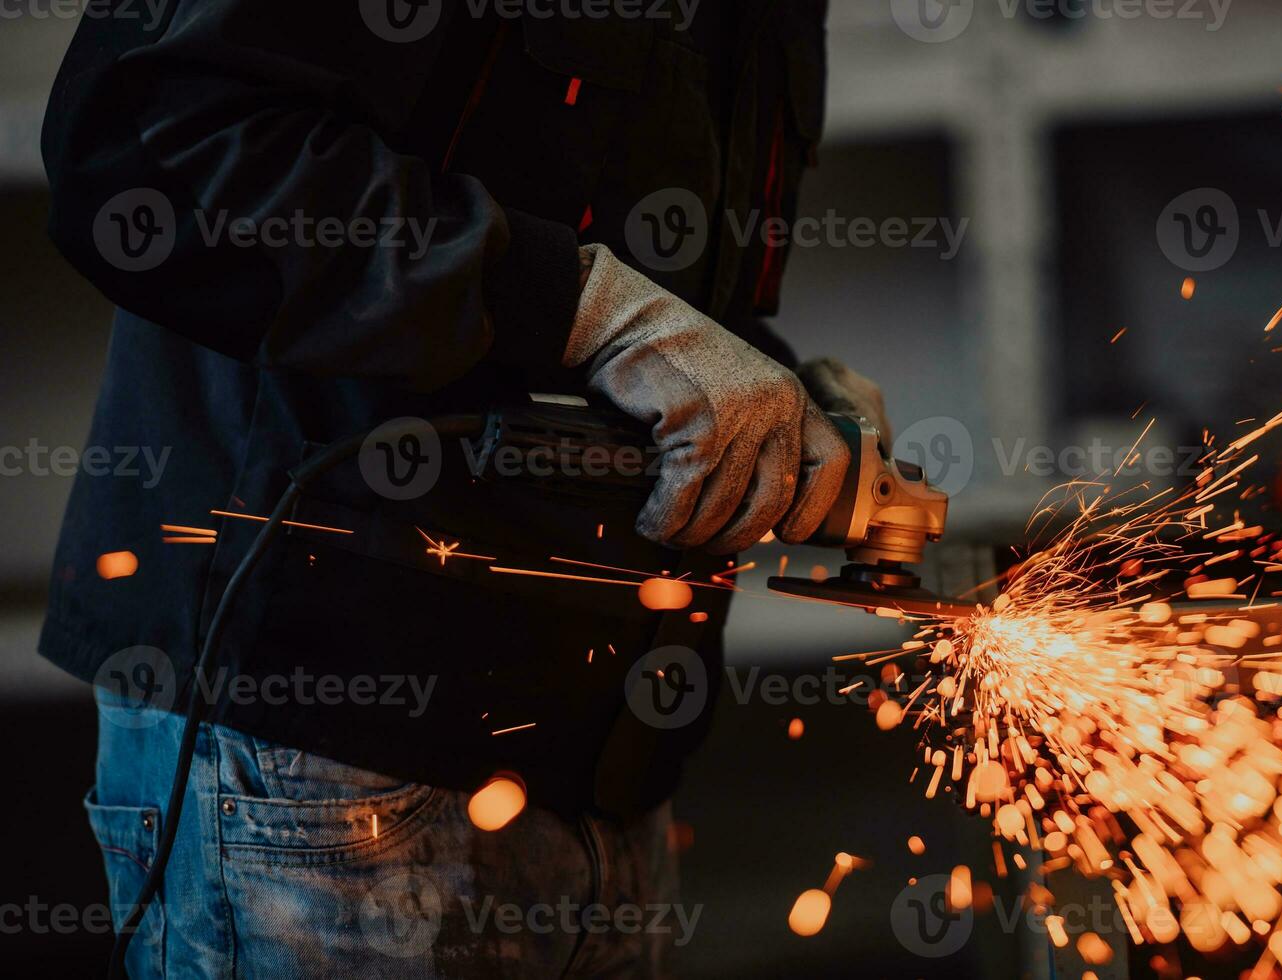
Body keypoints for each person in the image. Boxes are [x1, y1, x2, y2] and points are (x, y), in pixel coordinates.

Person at [39, 1, 888, 976]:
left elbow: (611, 246)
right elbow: (152, 147)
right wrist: (581, 308)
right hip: (324, 774)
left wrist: (768, 393)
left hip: (599, 759)